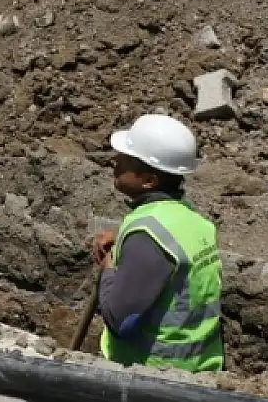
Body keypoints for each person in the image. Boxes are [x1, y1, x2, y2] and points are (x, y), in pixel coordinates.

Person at [91, 114, 225, 373]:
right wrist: (124, 240)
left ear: (149, 181)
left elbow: (118, 320)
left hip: (153, 375)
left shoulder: (147, 238)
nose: (114, 162)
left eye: (125, 160)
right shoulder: (193, 220)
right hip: (201, 369)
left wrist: (108, 267)